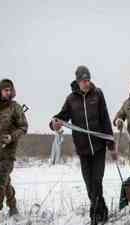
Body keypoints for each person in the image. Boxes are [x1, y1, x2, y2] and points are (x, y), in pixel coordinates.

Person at [49, 65, 117, 225]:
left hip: (99, 147)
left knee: (97, 181)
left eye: (88, 80)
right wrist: (54, 124)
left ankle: (95, 217)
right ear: (78, 81)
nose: (86, 83)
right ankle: (102, 211)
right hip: (83, 149)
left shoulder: (98, 94)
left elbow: (105, 119)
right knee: (89, 185)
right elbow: (60, 117)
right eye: (83, 81)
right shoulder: (71, 99)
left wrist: (111, 145)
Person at [0, 79, 28, 224]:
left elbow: (24, 127)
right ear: (0, 91)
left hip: (9, 152)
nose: (8, 92)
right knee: (5, 182)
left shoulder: (16, 107)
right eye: (5, 90)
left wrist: (12, 137)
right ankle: (13, 207)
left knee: (1, 183)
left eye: (10, 90)